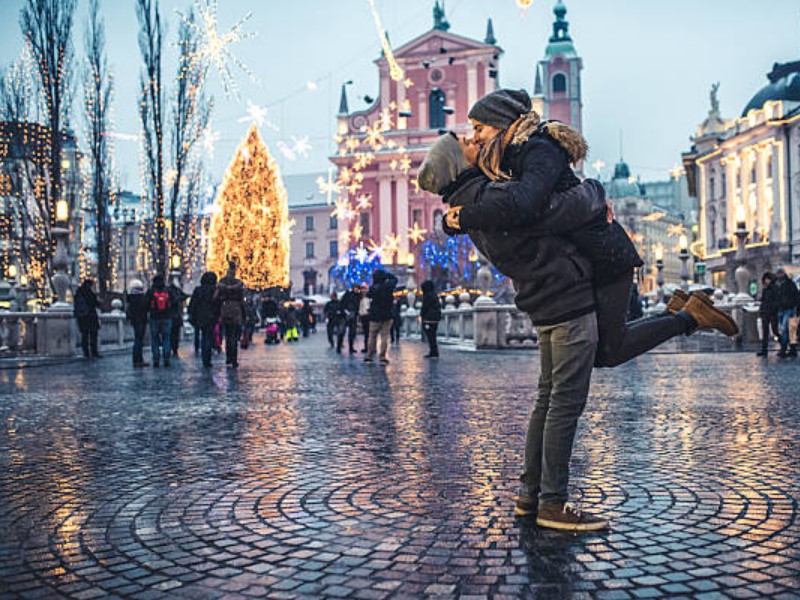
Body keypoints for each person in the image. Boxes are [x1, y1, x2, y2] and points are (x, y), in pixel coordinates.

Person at [419, 88, 738, 531]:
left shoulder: (528, 157)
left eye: (478, 128)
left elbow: (528, 209)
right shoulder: (492, 188)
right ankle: (687, 317)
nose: (475, 136)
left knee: (571, 383)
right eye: (469, 136)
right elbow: (530, 211)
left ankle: (534, 497)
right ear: (459, 164)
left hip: (601, 262)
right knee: (580, 381)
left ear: (503, 123)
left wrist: (458, 217)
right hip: (573, 288)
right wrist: (590, 194)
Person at [365, 269, 398, 364]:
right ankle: (382, 356)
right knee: (384, 336)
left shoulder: (373, 288)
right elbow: (395, 279)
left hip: (375, 315)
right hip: (387, 314)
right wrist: (387, 274)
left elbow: (368, 295)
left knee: (372, 336)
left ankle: (369, 355)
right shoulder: (389, 286)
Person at [216, 262, 245, 368]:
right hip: (236, 311)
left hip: (225, 309)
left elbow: (217, 297)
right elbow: (241, 299)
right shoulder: (239, 284)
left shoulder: (221, 283)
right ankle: (234, 359)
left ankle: (229, 357)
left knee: (228, 335)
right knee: (234, 336)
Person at [189, 272, 219, 368]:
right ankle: (207, 358)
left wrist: (192, 315)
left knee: (203, 336)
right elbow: (217, 305)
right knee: (208, 337)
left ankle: (203, 356)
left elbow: (193, 304)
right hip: (211, 317)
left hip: (200, 317)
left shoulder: (198, 290)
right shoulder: (214, 290)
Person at [145, 274, 174, 367]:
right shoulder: (168, 291)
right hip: (167, 317)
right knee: (166, 338)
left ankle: (156, 359)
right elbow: (175, 301)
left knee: (155, 339)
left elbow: (145, 304)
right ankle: (166, 358)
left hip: (154, 318)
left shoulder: (151, 291)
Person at [774, 267, 800, 358]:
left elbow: (796, 296)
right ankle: (792, 350)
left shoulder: (790, 284)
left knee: (785, 329)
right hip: (780, 310)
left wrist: (796, 308)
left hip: (789, 309)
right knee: (788, 330)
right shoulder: (776, 285)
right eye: (778, 273)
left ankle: (783, 349)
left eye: (781, 273)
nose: (779, 275)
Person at [74, 279, 100, 359]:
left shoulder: (78, 293)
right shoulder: (89, 293)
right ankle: (94, 352)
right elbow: (95, 303)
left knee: (85, 335)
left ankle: (86, 352)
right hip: (90, 316)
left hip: (82, 317)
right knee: (93, 335)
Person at [126, 279, 149, 367]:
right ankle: (138, 359)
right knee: (139, 340)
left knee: (137, 339)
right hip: (141, 320)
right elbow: (146, 307)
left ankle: (137, 359)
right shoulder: (141, 297)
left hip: (135, 321)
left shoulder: (130, 298)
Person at [757, 272, 779, 357]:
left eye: (768, 279)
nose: (767, 281)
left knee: (775, 331)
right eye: (765, 279)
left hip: (773, 313)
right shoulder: (765, 289)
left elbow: (776, 301)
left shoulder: (775, 288)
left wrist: (773, 310)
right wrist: (761, 311)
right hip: (765, 313)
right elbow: (763, 302)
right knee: (765, 332)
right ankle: (764, 350)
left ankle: (785, 346)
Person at [167, 277, 189, 358]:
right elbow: (180, 297)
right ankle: (174, 348)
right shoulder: (176, 291)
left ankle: (171, 348)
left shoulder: (168, 290)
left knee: (170, 334)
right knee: (175, 333)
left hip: (170, 316)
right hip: (175, 315)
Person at [420, 280, 442, 358]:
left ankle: (433, 352)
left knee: (430, 336)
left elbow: (424, 308)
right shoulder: (434, 295)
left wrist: (422, 316)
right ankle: (434, 351)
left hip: (428, 318)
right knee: (433, 335)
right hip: (435, 318)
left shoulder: (427, 296)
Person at [338, 284, 361, 353]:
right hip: (345, 315)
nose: (356, 289)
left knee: (352, 333)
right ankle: (339, 347)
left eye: (357, 288)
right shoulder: (348, 294)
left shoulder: (358, 296)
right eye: (355, 288)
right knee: (342, 331)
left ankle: (351, 347)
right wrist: (343, 311)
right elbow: (342, 304)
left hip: (353, 315)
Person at [358, 283, 371, 352]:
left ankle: (369, 347)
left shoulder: (369, 298)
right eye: (362, 289)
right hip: (363, 316)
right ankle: (366, 347)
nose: (363, 291)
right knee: (366, 333)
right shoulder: (359, 299)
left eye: (364, 289)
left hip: (368, 316)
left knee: (369, 333)